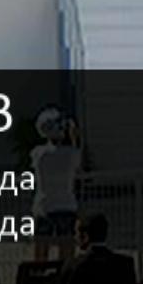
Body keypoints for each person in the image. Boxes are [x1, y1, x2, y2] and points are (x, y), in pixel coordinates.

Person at [31, 107, 82, 262]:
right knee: (67, 253)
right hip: (66, 206)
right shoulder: (70, 154)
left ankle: (40, 275)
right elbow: (79, 160)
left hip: (44, 206)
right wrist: (73, 137)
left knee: (41, 254)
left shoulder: (38, 153)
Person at [58, 213, 139, 284]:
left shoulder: (73, 265)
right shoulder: (125, 264)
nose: (75, 237)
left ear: (85, 236)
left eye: (75, 233)